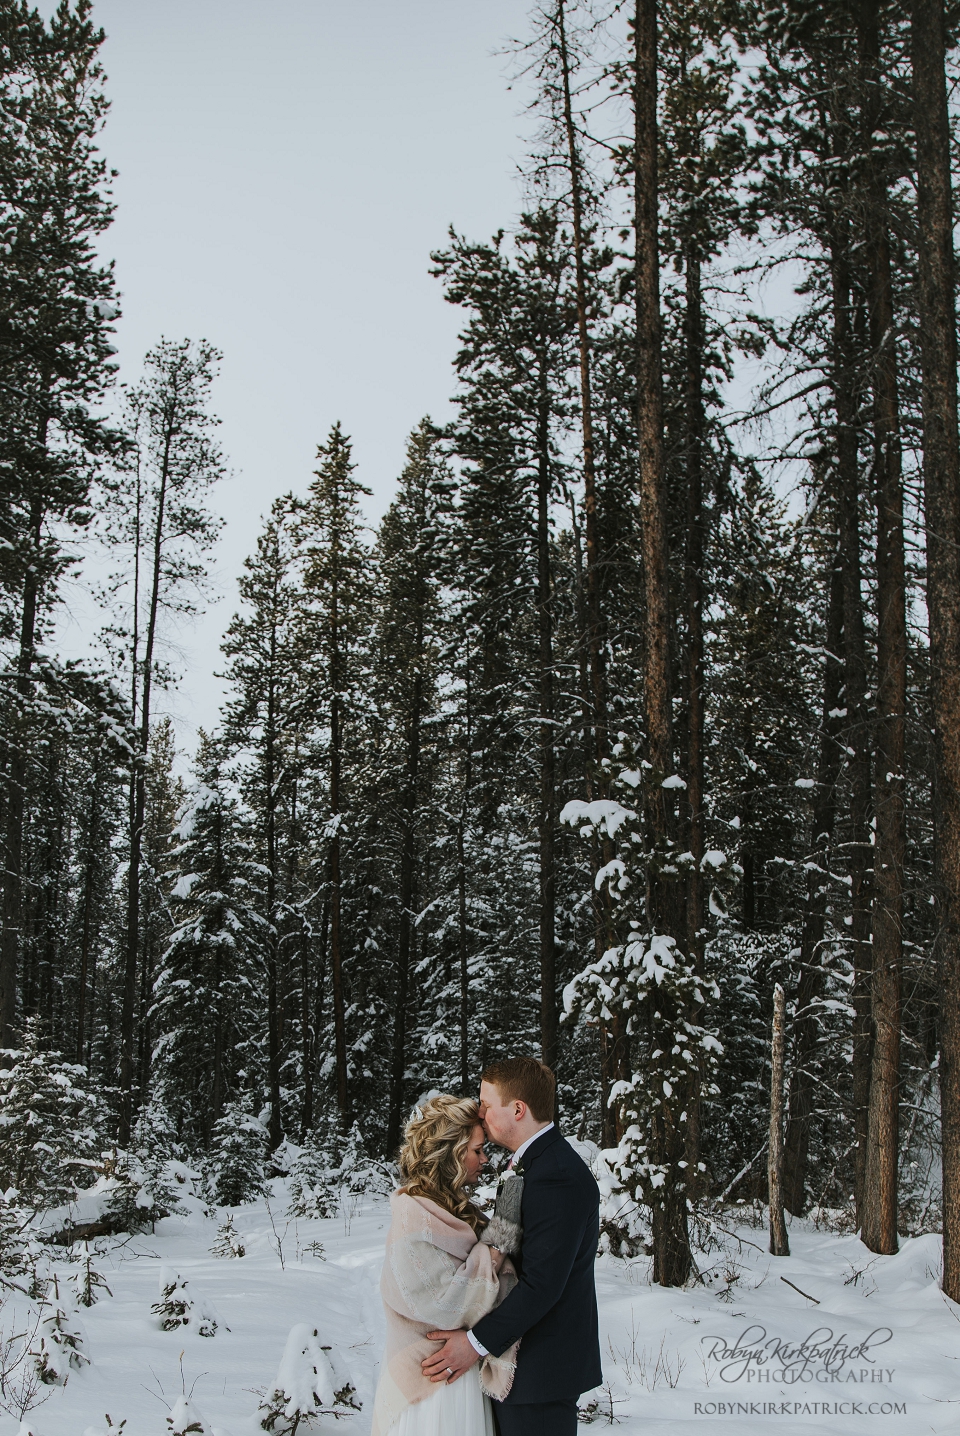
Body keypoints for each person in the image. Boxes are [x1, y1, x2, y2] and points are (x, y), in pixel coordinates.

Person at [421, 1057, 602, 1436]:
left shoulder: (556, 1176)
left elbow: (542, 1285)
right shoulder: (534, 1164)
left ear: (518, 1109)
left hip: (540, 1372)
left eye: (486, 1103)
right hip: (520, 1368)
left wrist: (474, 1344)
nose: (479, 1110)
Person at [371, 1095, 520, 1436]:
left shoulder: (451, 1210)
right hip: (431, 1386)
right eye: (477, 1150)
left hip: (457, 1371)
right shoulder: (414, 1220)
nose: (485, 1159)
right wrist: (504, 1229)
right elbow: (447, 1306)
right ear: (450, 1154)